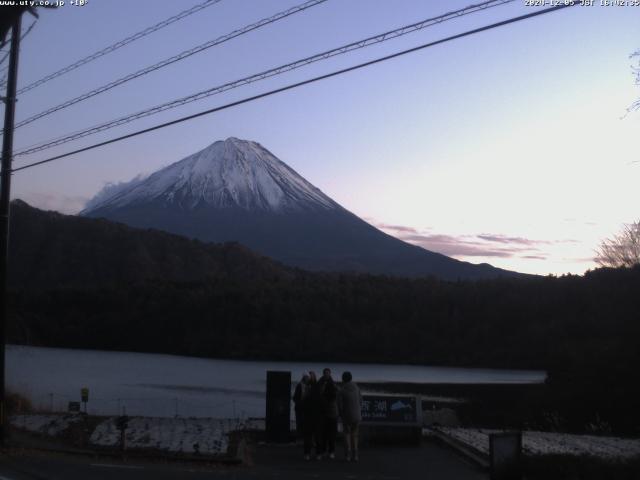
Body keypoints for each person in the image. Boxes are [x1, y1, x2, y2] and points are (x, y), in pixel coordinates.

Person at [338, 371, 362, 462]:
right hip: (357, 415)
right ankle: (355, 455)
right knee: (355, 435)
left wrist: (341, 415)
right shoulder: (357, 388)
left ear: (343, 379)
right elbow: (360, 400)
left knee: (347, 434)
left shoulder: (342, 390)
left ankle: (348, 454)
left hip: (347, 416)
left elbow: (340, 405)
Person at [315, 367, 338, 460]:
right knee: (322, 434)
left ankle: (331, 451)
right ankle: (322, 451)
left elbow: (334, 396)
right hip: (322, 412)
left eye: (328, 373)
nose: (326, 375)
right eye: (325, 373)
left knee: (331, 434)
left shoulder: (333, 385)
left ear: (330, 374)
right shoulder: (319, 383)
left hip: (331, 412)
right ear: (323, 373)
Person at [302, 371, 319, 460]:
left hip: (309, 415)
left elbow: (303, 400)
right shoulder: (316, 388)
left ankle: (307, 454)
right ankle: (317, 454)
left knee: (308, 436)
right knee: (316, 435)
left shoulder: (308, 389)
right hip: (314, 415)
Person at [292, 373, 309, 439]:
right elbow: (295, 398)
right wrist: (300, 402)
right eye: (307, 377)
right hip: (300, 408)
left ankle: (301, 437)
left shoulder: (306, 386)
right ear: (304, 378)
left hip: (303, 408)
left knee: (302, 423)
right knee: (299, 423)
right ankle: (299, 438)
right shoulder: (300, 386)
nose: (308, 379)